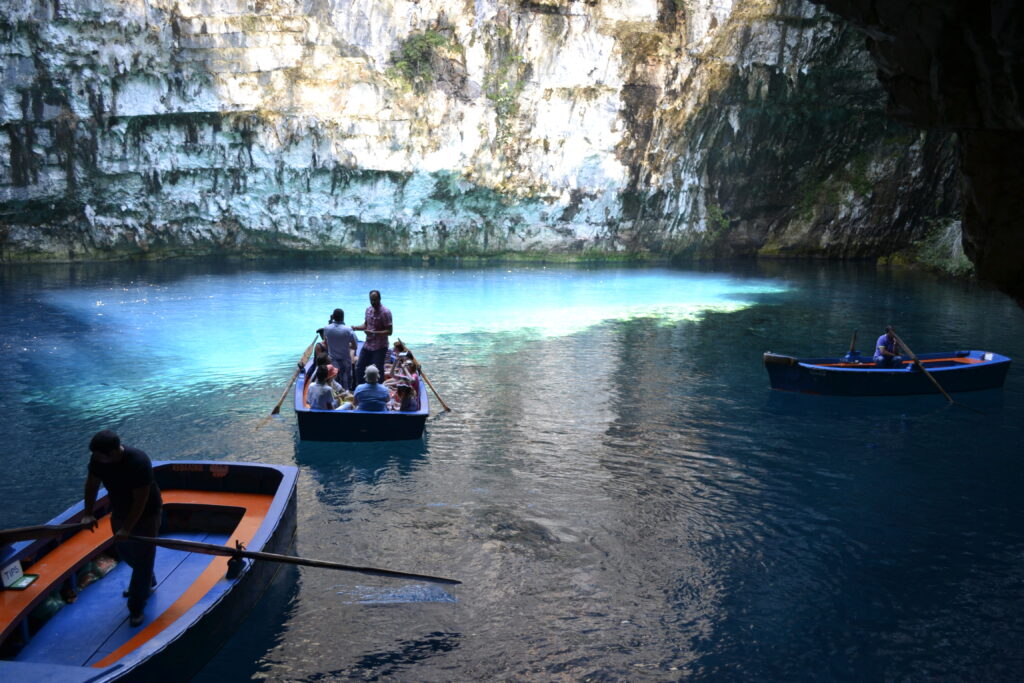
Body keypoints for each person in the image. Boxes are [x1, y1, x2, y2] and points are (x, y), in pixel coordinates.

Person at [81, 430, 163, 627]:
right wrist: (88, 512)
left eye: (100, 455)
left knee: (143, 559)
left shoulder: (138, 462)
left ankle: (136, 606)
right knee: (125, 551)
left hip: (146, 512)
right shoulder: (98, 459)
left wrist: (127, 528)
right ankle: (146, 580)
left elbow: (140, 500)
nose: (97, 459)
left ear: (113, 452)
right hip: (119, 509)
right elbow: (92, 484)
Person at [353, 290, 393, 387]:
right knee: (359, 367)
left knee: (377, 370)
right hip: (368, 345)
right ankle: (361, 389)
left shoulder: (385, 312)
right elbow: (366, 325)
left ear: (379, 299)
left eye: (375, 300)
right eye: (371, 300)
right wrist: (355, 328)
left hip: (380, 347)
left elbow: (389, 331)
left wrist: (374, 333)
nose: (373, 302)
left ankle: (380, 392)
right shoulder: (368, 310)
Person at [323, 308, 357, 390]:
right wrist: (347, 345)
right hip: (345, 360)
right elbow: (355, 346)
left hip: (332, 361)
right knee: (346, 383)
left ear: (333, 317)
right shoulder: (348, 330)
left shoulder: (327, 328)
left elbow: (325, 342)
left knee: (334, 382)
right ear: (343, 317)